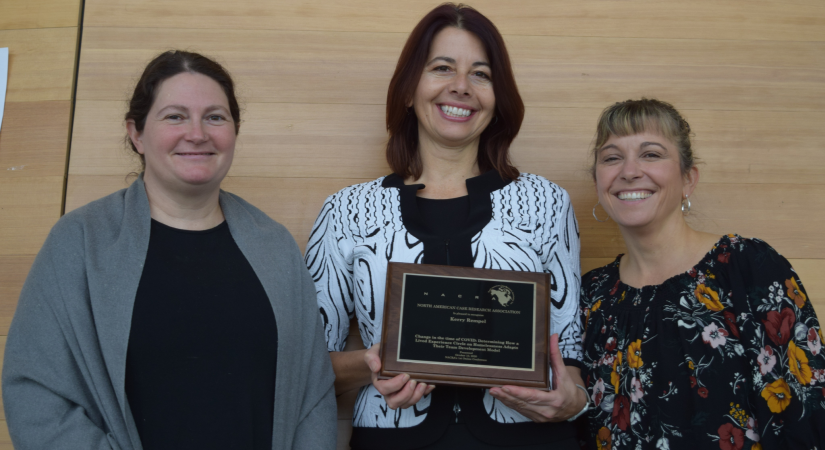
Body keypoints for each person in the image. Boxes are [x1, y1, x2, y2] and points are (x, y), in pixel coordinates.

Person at [2, 50, 336, 450]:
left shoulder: (275, 247)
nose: (197, 133)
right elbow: (36, 394)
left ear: (234, 131)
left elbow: (313, 397)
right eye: (175, 116)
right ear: (137, 133)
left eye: (215, 116)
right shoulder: (80, 242)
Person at [305, 4, 588, 450]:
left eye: (481, 74)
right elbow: (309, 366)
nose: (461, 87)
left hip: (530, 440)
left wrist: (573, 399)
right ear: (407, 90)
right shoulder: (347, 210)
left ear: (498, 99)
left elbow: (568, 351)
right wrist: (374, 364)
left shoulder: (546, 203)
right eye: (442, 68)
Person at [579, 98, 825, 449]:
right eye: (612, 158)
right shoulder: (591, 295)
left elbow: (806, 409)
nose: (629, 171)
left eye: (651, 154)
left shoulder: (746, 267)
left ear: (688, 179)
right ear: (598, 182)